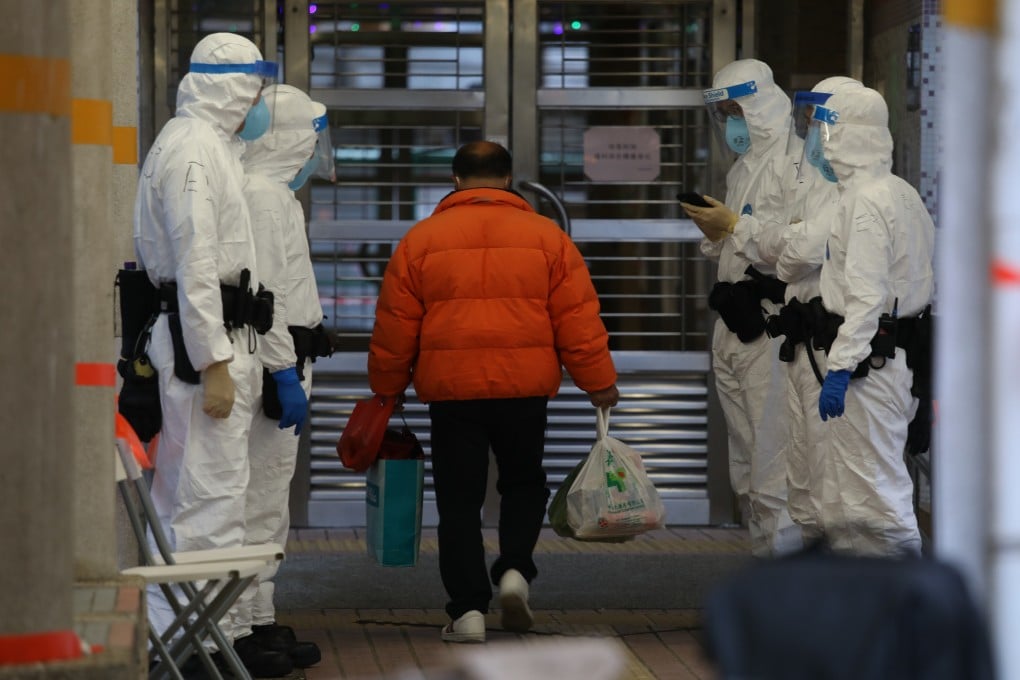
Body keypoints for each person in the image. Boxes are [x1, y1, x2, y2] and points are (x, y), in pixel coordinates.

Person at [367, 141, 620, 643]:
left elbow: (396, 325)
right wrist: (599, 382)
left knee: (459, 501)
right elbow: (577, 320)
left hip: (452, 393)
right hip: (522, 388)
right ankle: (514, 573)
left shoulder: (420, 240)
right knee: (523, 483)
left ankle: (467, 613)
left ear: (456, 180)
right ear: (508, 178)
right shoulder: (548, 238)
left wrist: (387, 389)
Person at [133, 32, 294, 677]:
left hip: (211, 341)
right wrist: (215, 362)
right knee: (204, 501)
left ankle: (207, 641)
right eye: (254, 86)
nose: (258, 99)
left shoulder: (204, 144)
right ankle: (191, 651)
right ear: (228, 86)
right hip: (203, 349)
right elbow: (196, 259)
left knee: (203, 500)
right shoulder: (196, 149)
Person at [678, 59, 800, 556]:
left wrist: (735, 229)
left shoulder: (798, 167)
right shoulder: (744, 169)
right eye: (723, 112)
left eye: (736, 109)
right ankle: (766, 572)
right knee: (746, 463)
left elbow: (796, 250)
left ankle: (788, 586)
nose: (731, 122)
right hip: (733, 324)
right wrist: (717, 234)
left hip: (769, 328)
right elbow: (735, 245)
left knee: (774, 463)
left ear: (762, 103)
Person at [236, 83, 338, 670]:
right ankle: (244, 625)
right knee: (257, 497)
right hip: (274, 363)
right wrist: (281, 371)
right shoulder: (262, 198)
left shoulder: (273, 195)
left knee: (269, 500)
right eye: (310, 137)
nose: (313, 153)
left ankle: (259, 617)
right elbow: (265, 296)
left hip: (287, 358)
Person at [812, 87, 935, 555]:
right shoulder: (900, 192)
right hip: (892, 361)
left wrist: (840, 367)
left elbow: (867, 297)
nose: (822, 142)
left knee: (875, 498)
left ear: (850, 136)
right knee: (856, 495)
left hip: (870, 368)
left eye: (828, 130)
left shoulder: (865, 202)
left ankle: (905, 615)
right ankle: (864, 613)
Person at [763, 76, 864, 545]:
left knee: (831, 477)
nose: (812, 135)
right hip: (803, 343)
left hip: (833, 346)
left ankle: (843, 597)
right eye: (809, 122)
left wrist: (783, 245)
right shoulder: (812, 179)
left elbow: (797, 249)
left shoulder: (861, 194)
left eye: (820, 123)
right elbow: (791, 245)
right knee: (800, 470)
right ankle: (809, 585)